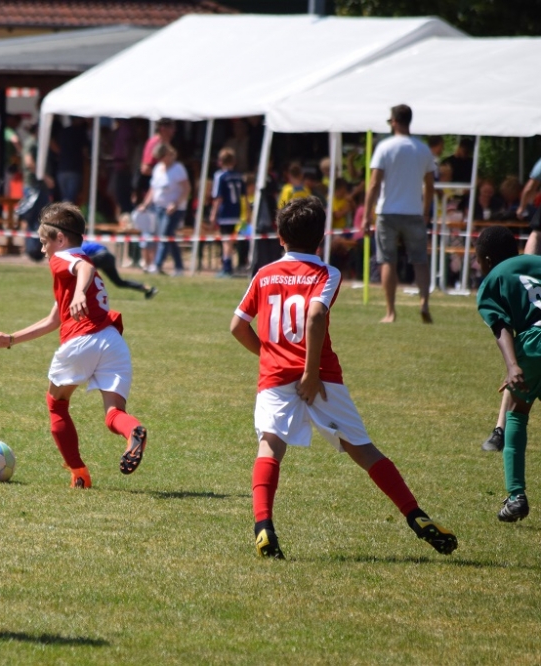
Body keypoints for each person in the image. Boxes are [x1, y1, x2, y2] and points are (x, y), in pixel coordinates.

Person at [230, 196, 458, 559]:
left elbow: (237, 326)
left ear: (280, 236)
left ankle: (263, 528)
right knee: (362, 448)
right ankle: (416, 516)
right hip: (321, 377)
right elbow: (315, 315)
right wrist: (309, 372)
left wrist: (270, 355)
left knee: (270, 446)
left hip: (275, 377)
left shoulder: (264, 273)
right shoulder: (327, 273)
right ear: (320, 237)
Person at [0, 202, 149, 489]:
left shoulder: (64, 259)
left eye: (44, 242)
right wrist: (10, 339)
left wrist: (80, 293)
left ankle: (79, 474)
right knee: (114, 414)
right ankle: (134, 431)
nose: (42, 249)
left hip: (82, 340)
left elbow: (84, 267)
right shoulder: (75, 267)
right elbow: (53, 320)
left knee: (56, 405)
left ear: (60, 238)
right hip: (112, 341)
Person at [473, 224, 541, 523]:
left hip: (534, 343)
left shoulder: (494, 278)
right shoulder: (537, 263)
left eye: (477, 259)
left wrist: (513, 365)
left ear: (487, 260)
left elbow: (501, 326)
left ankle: (516, 496)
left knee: (516, 412)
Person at [364, 104, 436, 324]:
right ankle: (424, 302)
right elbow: (430, 185)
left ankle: (390, 312)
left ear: (394, 121)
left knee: (387, 261)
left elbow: (374, 183)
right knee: (420, 260)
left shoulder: (385, 147)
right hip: (414, 211)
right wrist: (425, 211)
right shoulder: (423, 149)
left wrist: (366, 215)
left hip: (388, 212)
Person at [138, 143, 188, 276]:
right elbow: (153, 189)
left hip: (175, 209)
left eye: (161, 157)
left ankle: (157, 265)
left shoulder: (178, 169)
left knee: (165, 235)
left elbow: (186, 189)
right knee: (168, 237)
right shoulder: (158, 168)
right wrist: (145, 204)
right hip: (158, 208)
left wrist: (176, 204)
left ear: (168, 155)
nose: (160, 160)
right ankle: (179, 267)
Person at [210, 147, 245, 278]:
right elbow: (244, 196)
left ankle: (227, 267)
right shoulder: (239, 176)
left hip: (225, 213)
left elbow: (218, 197)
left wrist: (213, 214)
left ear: (220, 161)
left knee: (226, 240)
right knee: (231, 240)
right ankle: (231, 263)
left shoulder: (220, 176)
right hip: (237, 212)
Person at [81, 240, 157, 299]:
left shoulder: (78, 247)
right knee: (119, 282)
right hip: (109, 256)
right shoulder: (85, 243)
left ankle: (84, 295)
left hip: (101, 256)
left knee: (83, 274)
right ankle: (148, 289)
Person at [53, 116, 88, 205]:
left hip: (62, 169)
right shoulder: (81, 132)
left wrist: (60, 153)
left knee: (65, 198)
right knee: (70, 200)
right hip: (74, 169)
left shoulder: (63, 132)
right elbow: (85, 151)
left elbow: (54, 144)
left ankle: (63, 213)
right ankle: (65, 214)